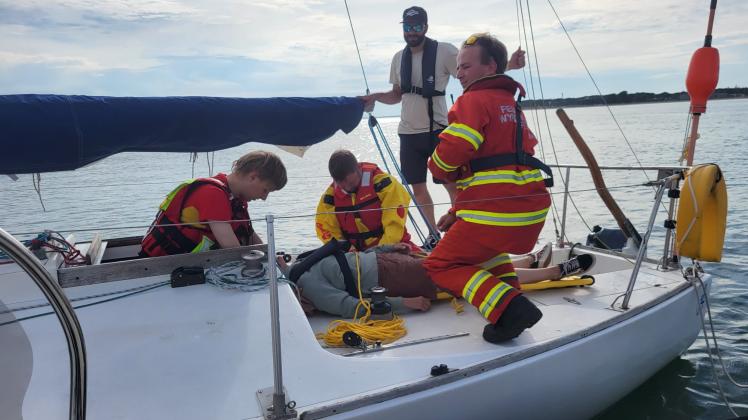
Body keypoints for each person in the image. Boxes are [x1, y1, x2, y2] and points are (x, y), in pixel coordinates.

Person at [423, 33, 556, 344]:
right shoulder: (510, 105)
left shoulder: (472, 101)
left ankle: (509, 309)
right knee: (489, 254)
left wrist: (436, 168)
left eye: (466, 66)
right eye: (458, 67)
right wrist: (457, 211)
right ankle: (513, 299)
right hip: (528, 212)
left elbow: (456, 148)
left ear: (490, 66)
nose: (459, 74)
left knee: (439, 265)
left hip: (496, 213)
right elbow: (500, 168)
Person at [360, 6, 526, 247]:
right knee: (417, 187)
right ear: (403, 29)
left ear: (425, 27)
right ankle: (433, 235)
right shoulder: (398, 58)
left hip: (438, 129)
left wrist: (508, 65)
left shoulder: (444, 51)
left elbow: (475, 70)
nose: (412, 32)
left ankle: (462, 230)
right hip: (408, 132)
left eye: (417, 27)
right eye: (408, 27)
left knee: (452, 185)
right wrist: (374, 97)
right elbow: (397, 94)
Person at [281, 241, 594, 318]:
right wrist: (404, 303)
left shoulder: (305, 281)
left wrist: (391, 248)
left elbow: (353, 300)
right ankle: (543, 268)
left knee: (460, 267)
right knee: (464, 270)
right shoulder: (305, 275)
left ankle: (536, 265)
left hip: (391, 266)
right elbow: (355, 306)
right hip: (393, 271)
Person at [140, 150, 287, 257]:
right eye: (265, 190)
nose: (264, 198)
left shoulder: (235, 198)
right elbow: (231, 248)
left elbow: (250, 236)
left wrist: (271, 258)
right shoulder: (213, 194)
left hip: (191, 264)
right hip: (159, 267)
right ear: (253, 177)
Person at [315, 149, 420, 252]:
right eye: (342, 185)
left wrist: (382, 250)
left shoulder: (383, 184)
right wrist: (345, 248)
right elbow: (326, 230)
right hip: (354, 256)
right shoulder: (329, 199)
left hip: (393, 248)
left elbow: (394, 224)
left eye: (351, 183)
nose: (348, 187)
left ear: (358, 169)